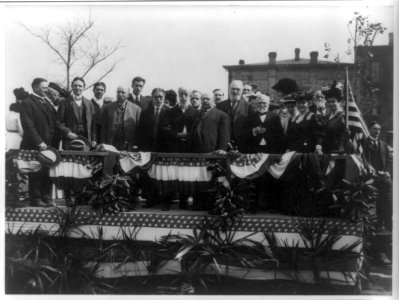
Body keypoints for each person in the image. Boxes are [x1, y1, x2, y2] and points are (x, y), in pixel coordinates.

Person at [20, 78, 57, 207]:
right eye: (44, 88)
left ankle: (46, 197)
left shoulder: (46, 101)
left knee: (47, 171)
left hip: (49, 144)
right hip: (35, 144)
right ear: (35, 88)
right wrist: (39, 142)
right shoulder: (27, 102)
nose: (47, 90)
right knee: (36, 171)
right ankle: (36, 199)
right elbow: (28, 125)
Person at [192, 92, 230, 210]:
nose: (205, 101)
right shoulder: (197, 115)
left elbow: (224, 136)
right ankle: (198, 204)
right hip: (198, 155)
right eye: (203, 99)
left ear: (213, 101)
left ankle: (212, 206)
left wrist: (222, 150)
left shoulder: (221, 115)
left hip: (214, 155)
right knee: (198, 180)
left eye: (207, 99)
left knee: (213, 181)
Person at [363, 121, 392, 231]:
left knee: (386, 189)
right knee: (382, 194)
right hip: (368, 176)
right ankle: (379, 222)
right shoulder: (364, 143)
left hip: (381, 176)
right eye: (374, 129)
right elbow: (362, 160)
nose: (377, 131)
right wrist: (370, 170)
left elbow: (389, 161)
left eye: (379, 129)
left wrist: (387, 172)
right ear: (369, 130)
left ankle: (384, 222)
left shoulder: (383, 144)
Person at [56, 77, 96, 148]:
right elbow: (58, 122)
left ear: (84, 87)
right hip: (70, 139)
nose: (78, 88)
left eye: (80, 86)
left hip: (86, 140)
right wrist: (67, 132)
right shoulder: (64, 103)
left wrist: (94, 139)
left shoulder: (89, 103)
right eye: (75, 85)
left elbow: (93, 123)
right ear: (72, 87)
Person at [216, 80, 255, 153]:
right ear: (229, 89)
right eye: (233, 89)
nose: (235, 91)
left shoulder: (248, 107)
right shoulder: (220, 106)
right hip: (224, 146)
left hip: (242, 146)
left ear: (241, 91)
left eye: (238, 89)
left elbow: (251, 128)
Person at [101, 86, 141, 151]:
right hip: (111, 142)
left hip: (128, 144)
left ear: (128, 95)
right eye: (118, 92)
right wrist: (103, 142)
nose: (120, 94)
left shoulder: (136, 109)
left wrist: (136, 144)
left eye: (123, 92)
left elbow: (138, 129)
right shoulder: (108, 107)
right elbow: (104, 127)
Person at [163, 87, 199, 153]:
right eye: (181, 94)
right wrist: (176, 134)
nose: (183, 97)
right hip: (174, 145)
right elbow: (166, 128)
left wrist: (188, 135)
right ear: (178, 95)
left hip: (191, 146)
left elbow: (197, 129)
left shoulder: (196, 112)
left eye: (186, 94)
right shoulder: (171, 111)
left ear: (190, 96)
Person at [317, 81, 349, 154]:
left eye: (333, 101)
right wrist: (319, 146)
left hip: (339, 150)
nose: (331, 104)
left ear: (339, 102)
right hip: (326, 150)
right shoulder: (327, 116)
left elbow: (344, 135)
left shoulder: (343, 115)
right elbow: (322, 132)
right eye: (329, 102)